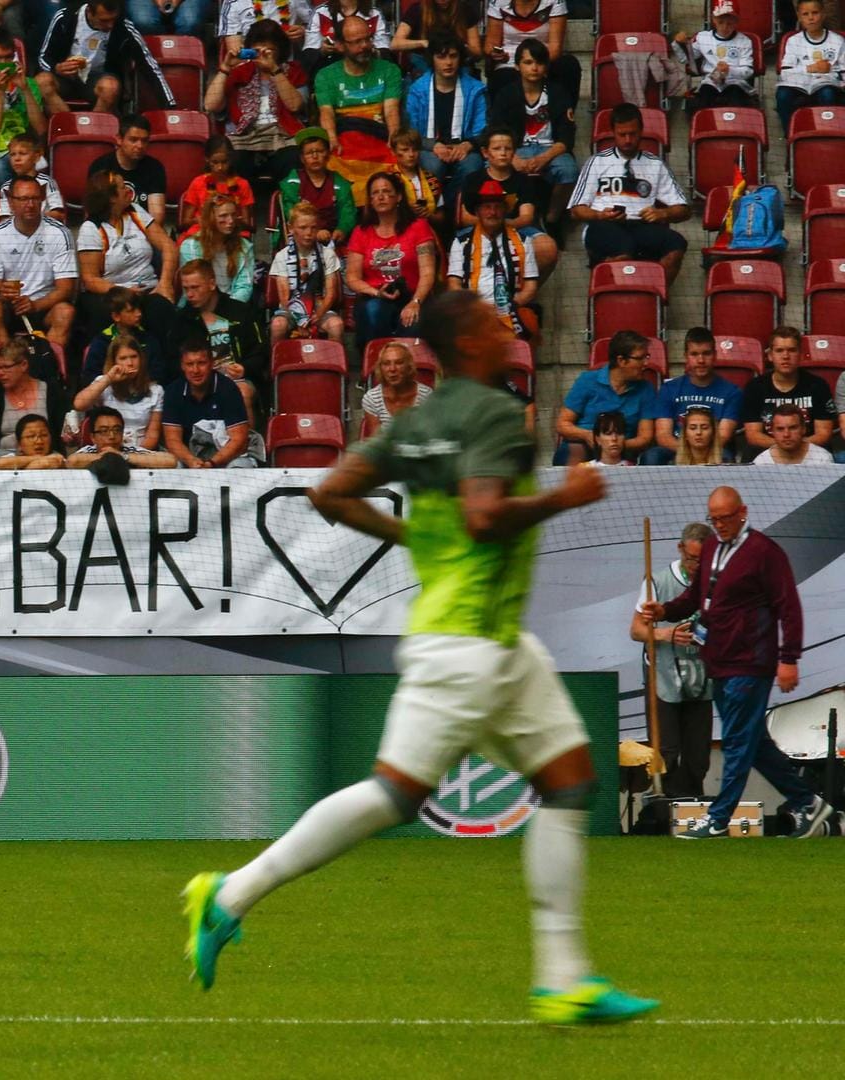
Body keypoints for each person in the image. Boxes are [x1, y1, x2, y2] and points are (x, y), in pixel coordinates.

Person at [188, 290, 657, 1027]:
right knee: (395, 796)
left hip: (489, 639)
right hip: (469, 642)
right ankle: (230, 894)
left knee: (570, 782)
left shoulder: (418, 422)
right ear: (468, 343)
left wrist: (407, 538)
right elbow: (482, 515)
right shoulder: (498, 414)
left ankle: (565, 979)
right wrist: (564, 498)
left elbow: (332, 492)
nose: (506, 328)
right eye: (491, 321)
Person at [641, 486, 833, 840]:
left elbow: (788, 607)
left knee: (735, 741)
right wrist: (664, 611)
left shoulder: (765, 553)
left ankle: (718, 816)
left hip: (751, 662)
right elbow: (696, 597)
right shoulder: (712, 547)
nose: (719, 525)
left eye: (725, 518)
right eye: (713, 519)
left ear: (742, 512)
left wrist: (788, 659)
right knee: (753, 741)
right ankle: (807, 801)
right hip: (720, 661)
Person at [629, 524, 716, 798]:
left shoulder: (718, 584)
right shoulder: (657, 583)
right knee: (667, 750)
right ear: (680, 549)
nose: (695, 566)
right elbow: (636, 630)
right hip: (664, 675)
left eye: (702, 561)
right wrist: (666, 634)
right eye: (691, 559)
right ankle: (663, 806)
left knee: (698, 754)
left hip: (702, 678)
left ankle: (693, 808)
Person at [568, 103, 690, 285]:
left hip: (641, 226)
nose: (627, 140)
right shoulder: (597, 162)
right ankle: (609, 294)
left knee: (676, 243)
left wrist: (663, 213)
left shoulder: (655, 164)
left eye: (632, 134)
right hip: (602, 226)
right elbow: (576, 210)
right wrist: (599, 215)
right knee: (624, 246)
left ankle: (654, 297)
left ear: (641, 131)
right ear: (613, 133)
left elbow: (684, 210)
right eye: (622, 134)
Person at [0, 31, 64, 219]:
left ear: (15, 56)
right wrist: (0, 92)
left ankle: (14, 219)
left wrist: (24, 89)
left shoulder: (29, 84)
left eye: (8, 57)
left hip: (16, 147)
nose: (2, 62)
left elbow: (41, 129)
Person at [205, 20, 307, 186]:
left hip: (282, 137)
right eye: (256, 51)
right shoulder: (239, 73)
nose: (262, 56)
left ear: (280, 50)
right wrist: (225, 69)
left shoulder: (293, 72)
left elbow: (295, 105)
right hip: (245, 138)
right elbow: (210, 105)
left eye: (269, 51)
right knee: (233, 163)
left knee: (294, 160)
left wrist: (275, 70)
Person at [77, 171, 177, 339]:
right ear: (111, 198)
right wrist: (124, 292)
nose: (128, 191)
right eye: (123, 187)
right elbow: (90, 279)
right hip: (114, 294)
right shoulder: (90, 229)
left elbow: (169, 247)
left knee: (161, 308)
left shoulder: (135, 211)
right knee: (108, 313)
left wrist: (165, 283)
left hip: (148, 289)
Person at [0, 177, 78, 350]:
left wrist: (35, 305)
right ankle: (5, 368)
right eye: (24, 199)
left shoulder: (60, 233)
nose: (31, 204)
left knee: (65, 311)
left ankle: (47, 368)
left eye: (35, 198)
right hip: (10, 307)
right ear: (10, 202)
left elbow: (66, 289)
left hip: (45, 305)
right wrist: (1, 292)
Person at [347, 172, 439, 345]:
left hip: (412, 295)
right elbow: (352, 277)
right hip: (374, 295)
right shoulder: (361, 232)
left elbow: (428, 273)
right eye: (375, 193)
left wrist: (415, 302)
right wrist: (376, 293)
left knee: (414, 321)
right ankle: (375, 366)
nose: (381, 197)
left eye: (386, 191)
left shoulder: (419, 227)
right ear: (370, 200)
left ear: (399, 196)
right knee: (374, 311)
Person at [452, 128, 557, 277]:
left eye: (507, 148)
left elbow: (526, 217)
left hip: (515, 229)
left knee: (547, 247)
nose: (503, 153)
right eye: (496, 149)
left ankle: (522, 292)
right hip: (478, 229)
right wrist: (491, 225)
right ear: (485, 153)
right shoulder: (473, 179)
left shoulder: (524, 180)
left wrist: (499, 225)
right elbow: (464, 217)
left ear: (514, 152)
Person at [38, 0, 175, 113]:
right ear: (90, 12)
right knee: (42, 81)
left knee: (110, 87)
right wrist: (56, 68)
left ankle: (95, 133)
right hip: (65, 80)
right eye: (104, 20)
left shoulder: (123, 27)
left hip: (97, 81)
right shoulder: (64, 18)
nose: (110, 25)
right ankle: (69, 126)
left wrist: (170, 104)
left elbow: (149, 64)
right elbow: (43, 56)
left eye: (113, 20)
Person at [447, 178, 538, 340]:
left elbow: (530, 286)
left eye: (497, 207)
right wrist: (476, 308)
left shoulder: (524, 242)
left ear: (505, 211)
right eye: (487, 207)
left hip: (511, 308)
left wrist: (507, 308)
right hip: (473, 308)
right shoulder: (461, 243)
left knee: (529, 320)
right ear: (477, 211)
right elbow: (454, 284)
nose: (492, 212)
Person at [174, 259, 266, 418]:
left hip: (238, 379)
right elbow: (174, 359)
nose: (189, 294)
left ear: (211, 284)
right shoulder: (182, 320)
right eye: (186, 288)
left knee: (241, 393)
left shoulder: (240, 312)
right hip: (197, 381)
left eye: (195, 287)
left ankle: (249, 442)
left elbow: (261, 351)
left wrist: (245, 368)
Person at [490, 39, 579, 199]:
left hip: (550, 150)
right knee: (490, 166)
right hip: (515, 150)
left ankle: (552, 219)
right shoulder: (506, 94)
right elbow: (495, 132)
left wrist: (543, 158)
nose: (534, 68)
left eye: (539, 62)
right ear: (517, 66)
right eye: (528, 62)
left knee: (570, 171)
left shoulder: (558, 93)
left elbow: (567, 136)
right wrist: (512, 158)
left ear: (546, 67)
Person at [555, 330, 658, 463]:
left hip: (623, 448)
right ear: (621, 360)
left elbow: (645, 437)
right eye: (640, 358)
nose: (646, 363)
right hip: (586, 445)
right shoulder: (587, 381)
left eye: (647, 357)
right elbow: (562, 424)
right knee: (569, 453)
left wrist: (614, 445)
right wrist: (588, 436)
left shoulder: (646, 389)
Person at [740, 327, 841, 457]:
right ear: (770, 356)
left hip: (810, 455)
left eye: (792, 350)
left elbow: (824, 434)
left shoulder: (817, 385)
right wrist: (783, 448)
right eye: (779, 350)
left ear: (801, 354)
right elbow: (753, 435)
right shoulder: (755, 387)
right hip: (766, 455)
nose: (786, 356)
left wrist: (796, 447)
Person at [162, 337, 258, 468]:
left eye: (201, 363)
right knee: (173, 465)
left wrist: (212, 463)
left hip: (227, 457)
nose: (195, 370)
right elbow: (172, 440)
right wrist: (192, 461)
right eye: (190, 364)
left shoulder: (228, 389)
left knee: (240, 467)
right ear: (182, 366)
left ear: (212, 363)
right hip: (189, 458)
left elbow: (238, 439)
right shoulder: (173, 391)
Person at [404, 38, 486, 191]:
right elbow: (410, 131)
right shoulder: (417, 90)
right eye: (441, 57)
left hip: (464, 146)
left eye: (453, 56)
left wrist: (467, 145)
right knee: (433, 166)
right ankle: (436, 209)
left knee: (472, 167)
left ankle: (454, 208)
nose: (448, 62)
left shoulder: (475, 89)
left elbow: (483, 129)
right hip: (427, 147)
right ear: (432, 59)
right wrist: (433, 145)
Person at [0, 339, 75, 464]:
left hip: (45, 456)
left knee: (54, 462)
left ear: (24, 365)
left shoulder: (52, 392)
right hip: (5, 458)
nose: (0, 373)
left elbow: (66, 435)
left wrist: (71, 438)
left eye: (6, 367)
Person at [651, 328, 741, 464]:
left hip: (713, 450)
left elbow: (723, 436)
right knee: (653, 456)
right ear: (685, 356)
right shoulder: (669, 389)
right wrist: (689, 452)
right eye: (694, 354)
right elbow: (663, 436)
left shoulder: (732, 392)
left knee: (725, 455)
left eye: (706, 354)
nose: (701, 360)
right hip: (676, 448)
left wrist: (700, 454)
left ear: (715, 355)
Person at [317, 15, 404, 143]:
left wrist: (393, 141)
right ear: (340, 45)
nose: (364, 46)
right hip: (344, 140)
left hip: (379, 138)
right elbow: (326, 113)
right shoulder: (325, 76)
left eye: (368, 39)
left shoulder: (390, 70)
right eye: (357, 41)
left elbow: (391, 111)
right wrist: (332, 140)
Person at [270, 202, 345, 343]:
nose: (308, 233)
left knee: (336, 325)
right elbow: (284, 296)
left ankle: (334, 363)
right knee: (277, 325)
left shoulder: (327, 254)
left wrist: (319, 314)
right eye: (303, 228)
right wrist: (301, 319)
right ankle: (276, 362)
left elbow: (331, 293)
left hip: (319, 307)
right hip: (290, 309)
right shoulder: (282, 256)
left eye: (313, 228)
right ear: (291, 228)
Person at [75, 334, 165, 451]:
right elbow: (79, 404)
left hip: (142, 452)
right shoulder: (103, 383)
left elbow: (152, 436)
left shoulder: (156, 391)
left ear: (141, 359)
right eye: (123, 358)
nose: (130, 363)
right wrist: (109, 378)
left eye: (134, 357)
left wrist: (131, 455)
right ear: (113, 362)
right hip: (106, 449)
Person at [481, 0, 578, 99]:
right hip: (510, 62)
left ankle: (564, 113)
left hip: (543, 60)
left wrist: (533, 66)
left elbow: (555, 48)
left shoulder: (555, 1)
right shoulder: (498, 2)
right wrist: (496, 53)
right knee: (503, 78)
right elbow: (490, 45)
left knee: (568, 65)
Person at [277, 128, 355, 246]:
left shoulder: (340, 183)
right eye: (309, 153)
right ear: (302, 158)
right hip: (300, 240)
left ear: (328, 155)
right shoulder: (292, 182)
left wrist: (342, 230)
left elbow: (347, 213)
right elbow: (291, 213)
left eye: (320, 151)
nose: (315, 156)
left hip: (334, 241)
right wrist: (314, 232)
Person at [776, 0, 844, 136]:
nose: (811, 18)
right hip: (800, 85)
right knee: (782, 95)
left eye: (815, 13)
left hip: (827, 84)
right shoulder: (794, 41)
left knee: (828, 94)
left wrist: (831, 72)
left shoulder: (837, 41)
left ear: (823, 14)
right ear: (799, 17)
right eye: (805, 14)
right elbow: (785, 73)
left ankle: (827, 133)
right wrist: (810, 69)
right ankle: (791, 136)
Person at [678, 1, 757, 111]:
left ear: (736, 22)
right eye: (721, 22)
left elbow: (748, 71)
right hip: (711, 81)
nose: (725, 27)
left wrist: (730, 70)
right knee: (704, 101)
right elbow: (686, 59)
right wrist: (681, 45)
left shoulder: (744, 41)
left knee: (736, 100)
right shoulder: (703, 37)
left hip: (735, 81)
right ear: (713, 19)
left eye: (729, 23)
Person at [86, 114, 166, 221]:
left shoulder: (155, 167)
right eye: (133, 140)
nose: (140, 146)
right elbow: (93, 212)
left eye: (144, 141)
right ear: (119, 139)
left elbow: (157, 216)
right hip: (109, 230)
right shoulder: (101, 166)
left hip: (143, 231)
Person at [69, 403, 176, 468]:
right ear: (93, 437)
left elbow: (170, 461)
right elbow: (72, 461)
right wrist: (107, 456)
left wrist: (122, 456)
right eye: (104, 431)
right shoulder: (88, 452)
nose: (111, 436)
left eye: (117, 430)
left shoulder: (130, 451)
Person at [360, 340, 431, 428]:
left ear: (409, 366)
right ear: (380, 368)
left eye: (399, 363)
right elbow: (377, 439)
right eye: (386, 364)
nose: (392, 369)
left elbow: (429, 436)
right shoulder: (372, 399)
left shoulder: (427, 396)